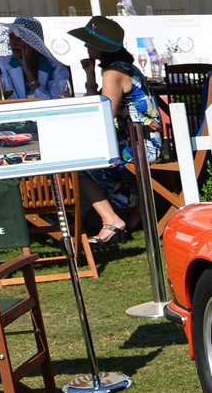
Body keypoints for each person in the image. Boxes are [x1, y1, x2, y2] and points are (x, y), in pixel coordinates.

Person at [66, 16, 164, 245]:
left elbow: (103, 116)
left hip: (140, 145)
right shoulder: (123, 68)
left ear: (101, 46)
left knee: (75, 167)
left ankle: (111, 219)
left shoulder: (112, 73)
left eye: (89, 42)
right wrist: (90, 75)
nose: (85, 45)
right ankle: (130, 211)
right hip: (143, 141)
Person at [0, 17, 71, 100]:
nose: (12, 43)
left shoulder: (57, 69)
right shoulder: (1, 66)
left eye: (19, 39)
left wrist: (29, 74)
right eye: (11, 38)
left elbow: (56, 103)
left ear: (33, 42)